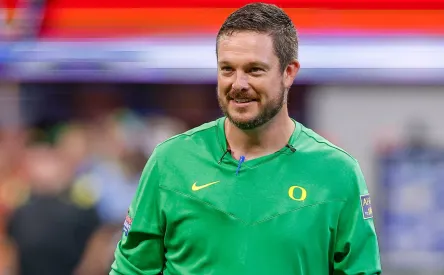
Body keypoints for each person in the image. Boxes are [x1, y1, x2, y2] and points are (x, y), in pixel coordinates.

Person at [110, 3, 382, 275]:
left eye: (254, 70)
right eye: (227, 69)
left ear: (289, 72)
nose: (238, 84)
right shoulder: (170, 161)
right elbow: (131, 270)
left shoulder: (337, 173)